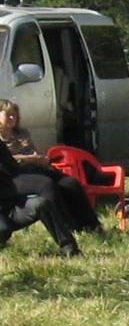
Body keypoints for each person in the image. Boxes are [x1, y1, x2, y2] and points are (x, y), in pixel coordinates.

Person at [0, 99, 101, 233]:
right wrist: (28, 159)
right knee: (46, 184)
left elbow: (35, 152)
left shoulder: (22, 134)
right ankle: (67, 226)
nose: (12, 118)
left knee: (70, 183)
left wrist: (41, 158)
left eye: (14, 115)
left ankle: (92, 225)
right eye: (8, 115)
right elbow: (8, 161)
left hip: (34, 168)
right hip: (13, 175)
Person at [0, 138, 80, 256]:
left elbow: (14, 170)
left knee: (41, 204)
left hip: (12, 206)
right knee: (3, 229)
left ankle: (70, 250)